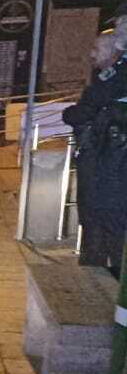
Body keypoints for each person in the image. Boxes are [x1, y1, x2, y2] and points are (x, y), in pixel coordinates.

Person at [63, 23, 127, 273]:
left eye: (96, 48)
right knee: (96, 219)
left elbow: (84, 111)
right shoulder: (111, 75)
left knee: (106, 219)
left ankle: (105, 278)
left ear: (115, 51)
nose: (91, 53)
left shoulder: (117, 76)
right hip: (103, 159)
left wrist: (74, 113)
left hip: (109, 162)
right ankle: (96, 275)